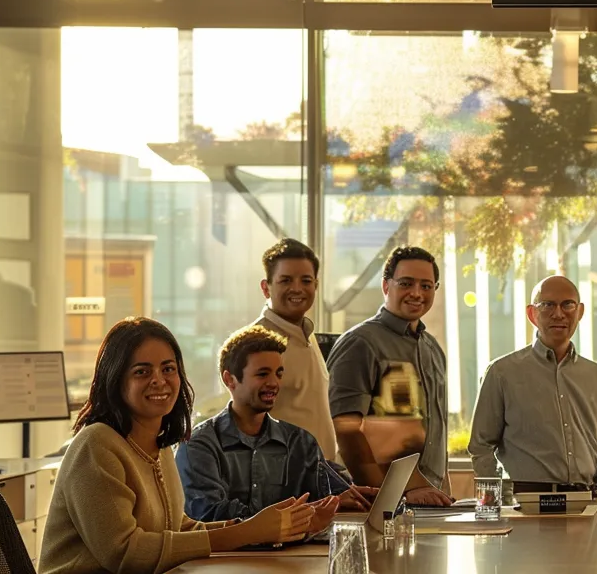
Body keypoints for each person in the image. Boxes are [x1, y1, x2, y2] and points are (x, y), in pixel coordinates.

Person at [41, 318, 315, 574]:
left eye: (168, 369)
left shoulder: (158, 444)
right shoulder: (97, 444)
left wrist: (265, 527)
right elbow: (125, 553)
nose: (159, 380)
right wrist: (247, 533)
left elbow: (177, 527)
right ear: (115, 379)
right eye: (142, 371)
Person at [178, 326, 369, 524]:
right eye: (262, 374)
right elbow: (211, 515)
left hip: (296, 553)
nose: (274, 383)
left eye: (278, 374)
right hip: (226, 555)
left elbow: (332, 494)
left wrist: (355, 497)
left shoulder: (300, 442)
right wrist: (304, 513)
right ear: (230, 380)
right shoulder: (198, 445)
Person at [469, 275, 597, 496]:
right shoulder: (501, 373)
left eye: (567, 305)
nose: (558, 313)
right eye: (547, 305)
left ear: (580, 311)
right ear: (532, 314)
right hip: (525, 503)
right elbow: (481, 446)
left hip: (586, 502)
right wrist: (501, 498)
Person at [327, 246, 454, 506]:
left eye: (426, 285)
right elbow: (347, 430)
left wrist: (441, 490)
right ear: (386, 286)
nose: (417, 293)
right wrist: (393, 496)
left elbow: (435, 433)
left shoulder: (432, 348)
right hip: (380, 503)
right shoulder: (360, 343)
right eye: (406, 283)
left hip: (428, 501)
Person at [247, 239, 340, 465]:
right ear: (265, 287)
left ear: (315, 285)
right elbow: (246, 422)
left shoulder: (306, 333)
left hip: (321, 474)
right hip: (284, 481)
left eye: (306, 280)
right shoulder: (256, 341)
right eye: (286, 280)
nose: (297, 288)